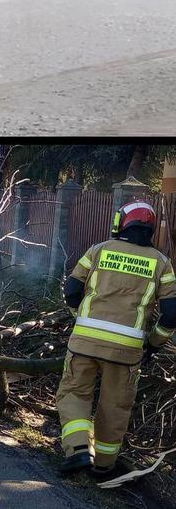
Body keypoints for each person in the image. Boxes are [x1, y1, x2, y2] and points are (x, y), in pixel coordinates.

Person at [56, 200, 176, 476]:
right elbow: (171, 314)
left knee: (74, 393)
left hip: (84, 343)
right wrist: (153, 344)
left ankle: (77, 452)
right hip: (127, 352)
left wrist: (80, 319)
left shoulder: (98, 251)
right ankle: (104, 466)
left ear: (122, 222)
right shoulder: (162, 264)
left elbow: (72, 290)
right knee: (115, 406)